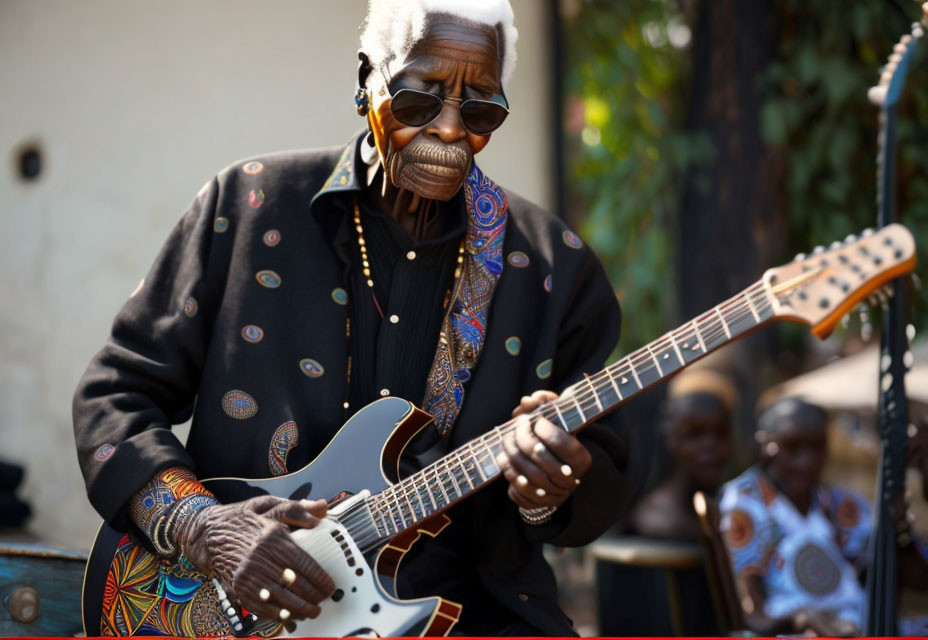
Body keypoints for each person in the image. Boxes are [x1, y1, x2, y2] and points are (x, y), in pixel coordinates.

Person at [72, 0, 634, 636]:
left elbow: (603, 483)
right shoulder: (251, 205)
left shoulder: (554, 267)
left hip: (467, 617)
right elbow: (114, 395)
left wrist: (548, 494)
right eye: (420, 99)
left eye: (479, 108)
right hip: (234, 604)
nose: (451, 129)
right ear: (367, 79)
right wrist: (206, 527)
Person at [719, 397, 928, 636]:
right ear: (765, 445)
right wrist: (803, 619)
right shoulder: (743, 504)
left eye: (816, 447)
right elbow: (752, 615)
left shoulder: (841, 503)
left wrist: (900, 529)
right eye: (792, 447)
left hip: (856, 626)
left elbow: (916, 581)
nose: (806, 462)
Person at [596, 368, 734, 635]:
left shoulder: (733, 509)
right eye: (695, 434)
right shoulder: (656, 520)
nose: (710, 446)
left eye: (720, 433)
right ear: (671, 437)